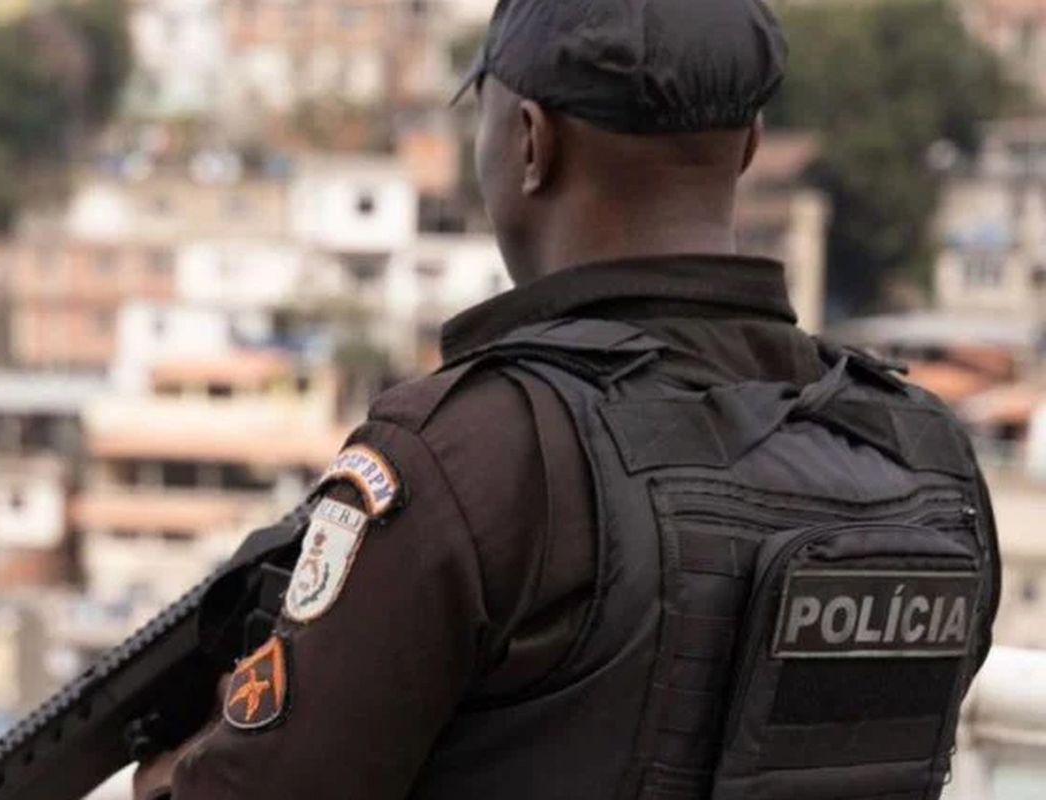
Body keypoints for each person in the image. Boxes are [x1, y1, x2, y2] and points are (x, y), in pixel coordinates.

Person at [135, 0, 1001, 796]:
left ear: (528, 142)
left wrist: (174, 771)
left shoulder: (475, 456)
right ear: (749, 145)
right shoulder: (925, 460)